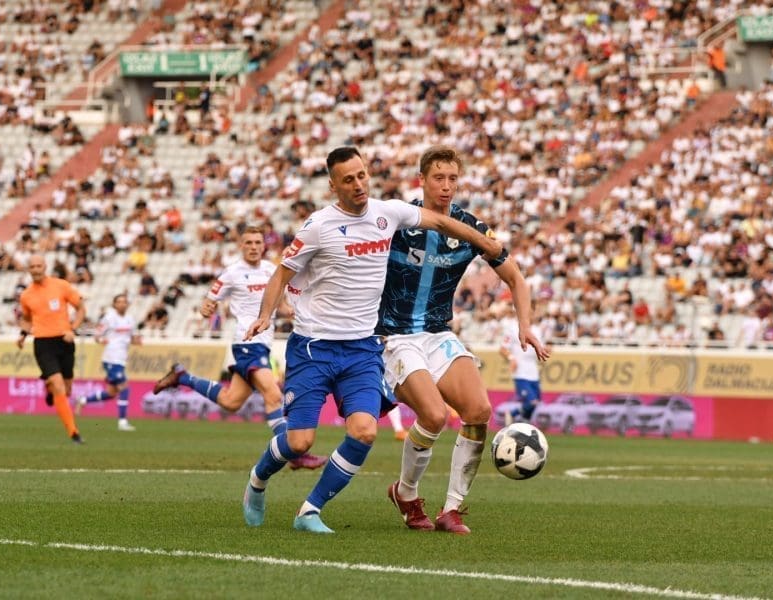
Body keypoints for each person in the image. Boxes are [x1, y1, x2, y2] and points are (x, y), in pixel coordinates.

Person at [240, 146, 504, 534]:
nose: (359, 184)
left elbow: (440, 223)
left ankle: (309, 511)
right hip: (314, 347)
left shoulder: (388, 213)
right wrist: (265, 315)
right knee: (299, 443)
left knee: (364, 431)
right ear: (334, 186)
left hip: (363, 347)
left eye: (362, 175)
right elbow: (281, 273)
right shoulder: (318, 226)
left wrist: (485, 242)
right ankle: (258, 480)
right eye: (348, 179)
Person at [382, 145, 549, 535]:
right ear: (422, 180)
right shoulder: (397, 221)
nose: (446, 186)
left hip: (438, 334)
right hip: (394, 336)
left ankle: (452, 509)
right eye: (438, 178)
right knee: (434, 416)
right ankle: (406, 494)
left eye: (453, 178)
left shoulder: (470, 227)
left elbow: (516, 278)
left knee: (478, 410)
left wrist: (525, 325)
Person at [153, 226, 327, 470]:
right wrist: (206, 308)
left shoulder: (271, 270)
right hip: (247, 343)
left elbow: (281, 307)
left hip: (263, 344)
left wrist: (298, 313)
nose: (254, 247)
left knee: (231, 401)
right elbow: (209, 300)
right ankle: (294, 453)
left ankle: (183, 376)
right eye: (248, 243)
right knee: (273, 395)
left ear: (264, 245)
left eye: (257, 242)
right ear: (241, 246)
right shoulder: (232, 273)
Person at [17, 254, 86, 443]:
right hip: (43, 343)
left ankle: (49, 389)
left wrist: (73, 329)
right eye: (32, 267)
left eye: (39, 266)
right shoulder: (26, 295)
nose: (36, 270)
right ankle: (73, 432)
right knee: (58, 384)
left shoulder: (61, 286)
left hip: (65, 340)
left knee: (67, 390)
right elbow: (27, 319)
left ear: (45, 267)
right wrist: (23, 335)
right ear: (28, 270)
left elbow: (81, 308)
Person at [75, 293, 141, 431]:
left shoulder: (130, 319)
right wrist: (101, 340)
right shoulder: (109, 318)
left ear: (127, 304)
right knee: (124, 387)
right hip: (111, 358)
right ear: (114, 304)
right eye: (119, 302)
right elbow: (97, 335)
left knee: (111, 393)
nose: (122, 304)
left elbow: (134, 338)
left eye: (124, 302)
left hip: (121, 359)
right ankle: (122, 422)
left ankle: (83, 400)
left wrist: (137, 341)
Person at [500, 306, 545, 427]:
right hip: (520, 371)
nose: (532, 315)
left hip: (533, 371)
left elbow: (540, 348)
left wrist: (545, 351)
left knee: (537, 401)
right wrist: (511, 358)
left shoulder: (538, 330)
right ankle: (512, 414)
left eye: (532, 312)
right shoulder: (513, 328)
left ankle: (525, 424)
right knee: (531, 401)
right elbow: (503, 349)